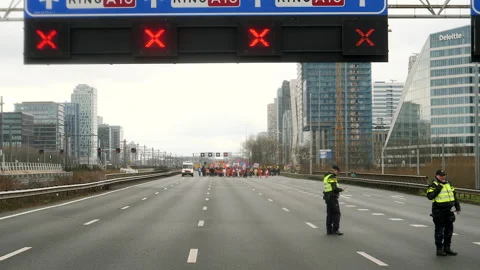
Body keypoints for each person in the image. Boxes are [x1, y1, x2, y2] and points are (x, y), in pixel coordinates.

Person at [426, 170, 461, 256]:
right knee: (439, 232)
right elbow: (430, 196)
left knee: (449, 231)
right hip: (438, 211)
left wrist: (457, 206)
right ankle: (439, 249)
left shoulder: (448, 183)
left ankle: (447, 248)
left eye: (444, 175)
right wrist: (438, 188)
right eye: (441, 175)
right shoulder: (433, 185)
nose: (443, 177)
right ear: (437, 176)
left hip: (448, 211)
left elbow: (453, 195)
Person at [323, 165, 345, 235]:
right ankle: (335, 229)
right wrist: (341, 189)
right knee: (336, 213)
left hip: (327, 197)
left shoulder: (326, 176)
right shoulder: (332, 176)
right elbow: (334, 188)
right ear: (335, 170)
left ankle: (329, 230)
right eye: (337, 171)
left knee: (329, 214)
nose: (338, 173)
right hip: (332, 198)